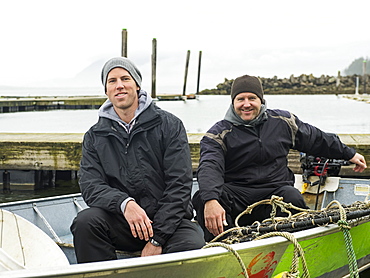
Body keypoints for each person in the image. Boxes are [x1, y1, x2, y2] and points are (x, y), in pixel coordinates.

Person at [192, 74, 367, 242]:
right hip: (238, 194)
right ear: (233, 102)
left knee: (293, 197)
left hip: (275, 192)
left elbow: (317, 139)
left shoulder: (283, 121)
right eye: (240, 99)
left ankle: (297, 246)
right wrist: (211, 200)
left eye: (252, 98)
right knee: (203, 198)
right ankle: (225, 245)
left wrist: (349, 153)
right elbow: (209, 166)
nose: (246, 104)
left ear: (261, 100)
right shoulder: (218, 133)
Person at [71, 57, 205, 263]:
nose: (119, 85)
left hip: (170, 223)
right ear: (106, 90)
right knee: (85, 222)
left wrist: (157, 239)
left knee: (191, 248)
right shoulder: (95, 136)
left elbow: (179, 186)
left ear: (137, 85)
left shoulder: (169, 125)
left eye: (125, 78)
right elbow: (91, 186)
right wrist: (125, 204)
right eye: (112, 81)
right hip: (123, 221)